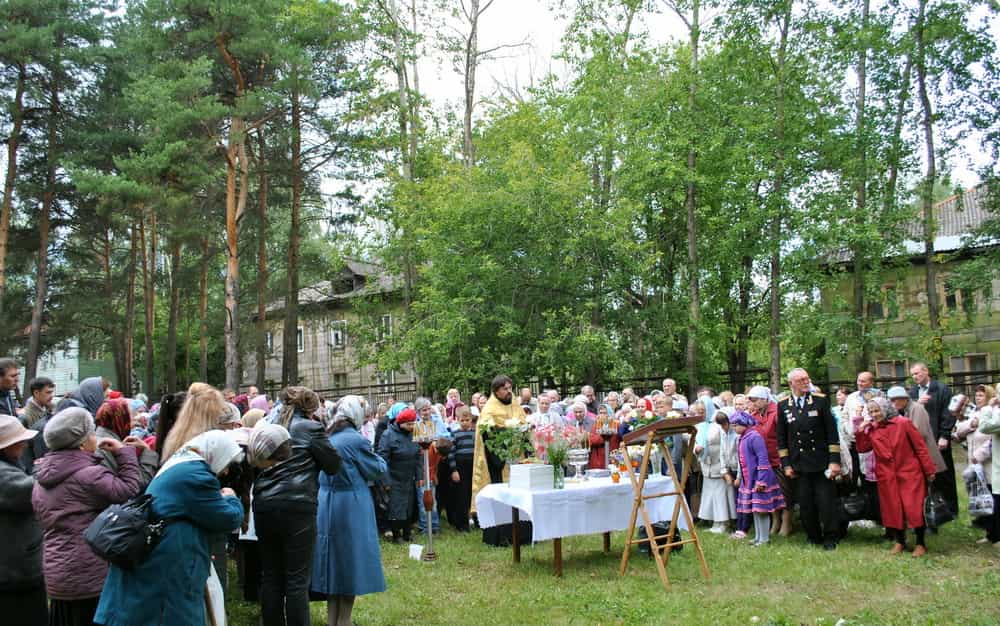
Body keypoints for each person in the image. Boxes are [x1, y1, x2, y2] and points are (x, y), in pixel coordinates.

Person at [94, 431, 245, 625]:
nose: (224, 472)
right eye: (226, 464)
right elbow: (228, 518)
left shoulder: (180, 462)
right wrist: (231, 498)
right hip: (169, 561)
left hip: (161, 552)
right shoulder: (195, 475)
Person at [32, 408, 143, 625]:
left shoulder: (41, 477)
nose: (96, 438)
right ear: (82, 444)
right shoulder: (88, 476)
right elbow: (129, 490)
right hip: (88, 572)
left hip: (58, 571)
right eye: (92, 434)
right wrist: (124, 453)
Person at [253, 386, 342, 626]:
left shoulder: (266, 426)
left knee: (271, 575)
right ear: (310, 407)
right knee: (297, 579)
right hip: (298, 505)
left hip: (264, 504)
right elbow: (333, 465)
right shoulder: (311, 428)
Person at [311, 396, 387, 626]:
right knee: (350, 561)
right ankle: (344, 620)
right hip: (351, 503)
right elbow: (377, 469)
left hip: (325, 501)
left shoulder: (327, 435)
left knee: (332, 561)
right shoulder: (355, 440)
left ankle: (332, 619)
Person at [855, 398, 937, 556]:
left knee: (913, 508)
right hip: (887, 475)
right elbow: (862, 448)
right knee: (893, 508)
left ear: (885, 409)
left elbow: (920, 447)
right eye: (871, 412)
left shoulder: (903, 423)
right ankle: (900, 541)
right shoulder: (873, 428)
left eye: (877, 410)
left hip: (909, 472)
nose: (874, 414)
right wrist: (860, 431)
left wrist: (929, 470)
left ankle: (920, 543)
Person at [777, 368, 841, 550]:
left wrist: (834, 460)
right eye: (802, 380)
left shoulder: (820, 401)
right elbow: (782, 437)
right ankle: (813, 536)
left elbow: (832, 433)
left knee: (826, 502)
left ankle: (831, 536)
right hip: (798, 463)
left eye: (807, 378)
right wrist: (786, 464)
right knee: (805, 503)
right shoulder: (783, 405)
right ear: (791, 384)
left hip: (820, 461)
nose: (806, 382)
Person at [471, 375, 530, 545]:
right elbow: (487, 432)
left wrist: (523, 430)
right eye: (505, 389)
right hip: (497, 462)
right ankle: (501, 536)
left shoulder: (515, 404)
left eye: (510, 388)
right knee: (501, 497)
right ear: (496, 391)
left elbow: (523, 424)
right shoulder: (489, 408)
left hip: (516, 458)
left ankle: (523, 534)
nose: (508, 391)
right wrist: (506, 431)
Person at [0, 414, 45, 625]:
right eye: (19, 441)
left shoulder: (9, 464)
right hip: (14, 571)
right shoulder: (3, 474)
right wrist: (52, 469)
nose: (25, 444)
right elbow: (33, 492)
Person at [908, 362, 957, 515]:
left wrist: (944, 435)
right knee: (927, 476)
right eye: (913, 375)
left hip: (938, 438)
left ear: (926, 371)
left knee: (944, 474)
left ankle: (950, 508)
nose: (915, 377)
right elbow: (906, 413)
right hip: (921, 441)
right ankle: (931, 509)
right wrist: (916, 403)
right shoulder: (912, 393)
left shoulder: (941, 389)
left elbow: (948, 413)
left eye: (917, 373)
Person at [732, 411, 785, 546]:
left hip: (759, 479)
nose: (734, 428)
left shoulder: (754, 437)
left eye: (735, 425)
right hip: (748, 480)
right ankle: (758, 537)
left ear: (743, 424)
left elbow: (762, 458)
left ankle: (764, 539)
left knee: (762, 511)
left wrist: (761, 480)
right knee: (755, 510)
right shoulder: (743, 437)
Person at [377, 407, 420, 543]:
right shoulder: (387, 435)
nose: (412, 426)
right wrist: (386, 481)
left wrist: (420, 477)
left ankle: (407, 532)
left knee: (408, 506)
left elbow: (419, 456)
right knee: (395, 507)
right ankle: (397, 535)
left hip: (409, 477)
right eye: (409, 424)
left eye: (414, 423)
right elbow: (382, 459)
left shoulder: (415, 434)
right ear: (401, 423)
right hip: (394, 477)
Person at [94, 398, 159, 488]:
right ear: (121, 420)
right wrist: (147, 451)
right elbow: (137, 484)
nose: (133, 422)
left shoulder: (101, 439)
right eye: (130, 418)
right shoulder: (108, 446)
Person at [160, 383, 227, 461]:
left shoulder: (176, 436)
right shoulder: (207, 442)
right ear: (211, 413)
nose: (223, 413)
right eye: (220, 409)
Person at [698, 410, 738, 534]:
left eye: (703, 410)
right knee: (711, 496)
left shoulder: (722, 427)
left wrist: (724, 469)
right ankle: (715, 521)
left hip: (720, 465)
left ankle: (724, 522)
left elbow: (724, 448)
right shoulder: (702, 426)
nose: (701, 412)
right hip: (707, 466)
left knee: (722, 497)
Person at [448, 407, 476, 531]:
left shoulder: (474, 434)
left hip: (473, 466)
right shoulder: (455, 434)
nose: (465, 422)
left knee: (472, 494)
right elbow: (451, 453)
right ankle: (461, 524)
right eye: (462, 420)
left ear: (471, 420)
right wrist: (454, 470)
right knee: (462, 495)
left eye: (467, 420)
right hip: (460, 466)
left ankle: (476, 519)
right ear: (457, 420)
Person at [976, 404, 1000, 547]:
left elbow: (984, 426)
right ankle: (993, 535)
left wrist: (987, 408)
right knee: (994, 501)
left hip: (995, 465)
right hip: (995, 466)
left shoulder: (992, 411)